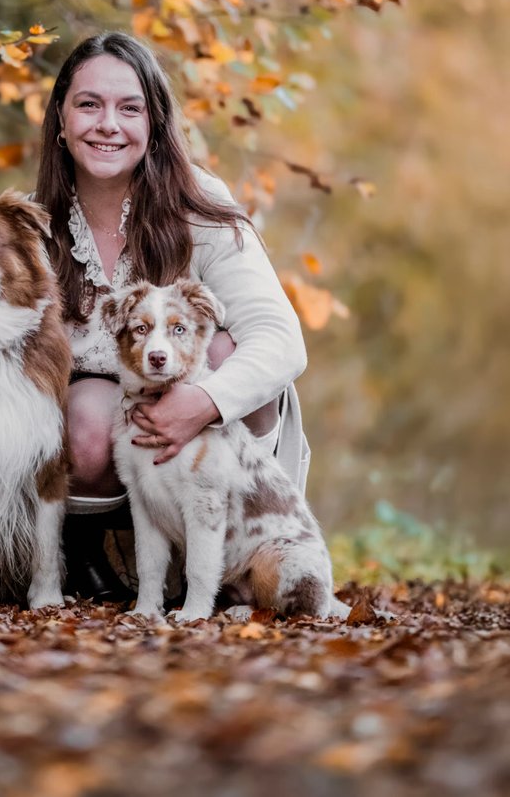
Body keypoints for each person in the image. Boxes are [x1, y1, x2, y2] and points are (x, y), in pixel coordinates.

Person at [34, 32, 312, 601]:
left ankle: (230, 554)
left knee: (220, 354)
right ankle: (84, 552)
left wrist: (204, 403)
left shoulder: (198, 204)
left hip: (219, 460)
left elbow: (282, 341)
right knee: (84, 420)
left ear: (154, 125)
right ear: (59, 120)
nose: (107, 124)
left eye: (129, 108)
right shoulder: (33, 225)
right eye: (88, 104)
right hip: (108, 455)